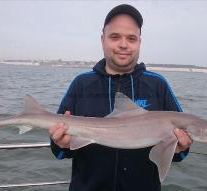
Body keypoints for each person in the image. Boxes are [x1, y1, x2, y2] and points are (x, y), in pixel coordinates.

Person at [49, 4, 193, 191]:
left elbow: (181, 153)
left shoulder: (158, 85)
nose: (123, 44)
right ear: (103, 40)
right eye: (115, 37)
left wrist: (180, 149)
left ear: (139, 42)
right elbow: (58, 151)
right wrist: (61, 144)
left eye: (131, 38)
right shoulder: (82, 84)